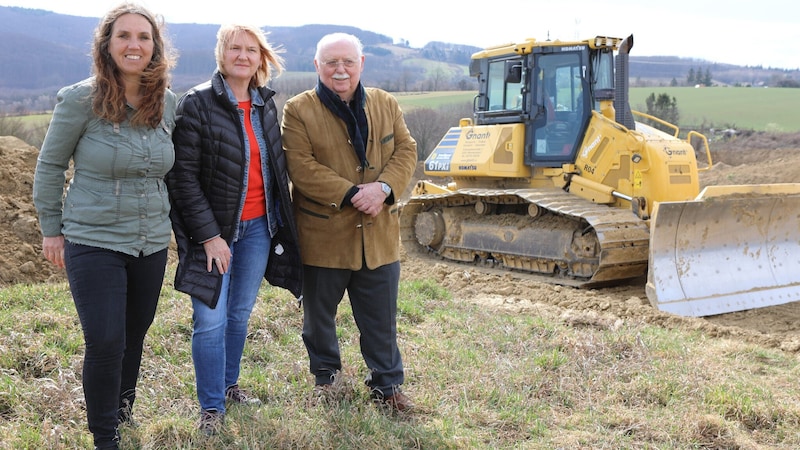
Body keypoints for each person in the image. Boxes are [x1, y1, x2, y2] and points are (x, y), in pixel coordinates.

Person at [31, 3, 177, 449]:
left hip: (150, 240)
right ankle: (104, 436)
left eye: (144, 37)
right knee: (106, 338)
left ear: (155, 48)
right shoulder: (80, 98)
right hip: (92, 239)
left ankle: (123, 413)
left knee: (135, 334)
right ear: (107, 44)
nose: (134, 45)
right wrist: (51, 228)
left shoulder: (166, 102)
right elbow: (50, 166)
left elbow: (172, 169)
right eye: (124, 36)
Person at [166, 23, 302, 434]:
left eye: (251, 50)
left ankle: (228, 385)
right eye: (235, 49)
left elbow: (273, 170)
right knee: (210, 319)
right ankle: (210, 408)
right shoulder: (198, 103)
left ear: (261, 58)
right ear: (221, 55)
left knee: (239, 315)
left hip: (260, 228)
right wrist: (210, 237)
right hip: (214, 234)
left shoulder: (265, 104)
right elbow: (182, 178)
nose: (243, 56)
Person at [281, 32, 418, 411]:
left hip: (379, 235)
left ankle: (387, 387)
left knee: (381, 320)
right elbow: (300, 165)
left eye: (347, 61)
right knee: (319, 320)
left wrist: (384, 188)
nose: (340, 69)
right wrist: (352, 193)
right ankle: (328, 381)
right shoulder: (298, 109)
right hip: (323, 236)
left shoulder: (386, 103)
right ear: (317, 66)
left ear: (362, 63)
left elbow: (406, 149)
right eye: (331, 62)